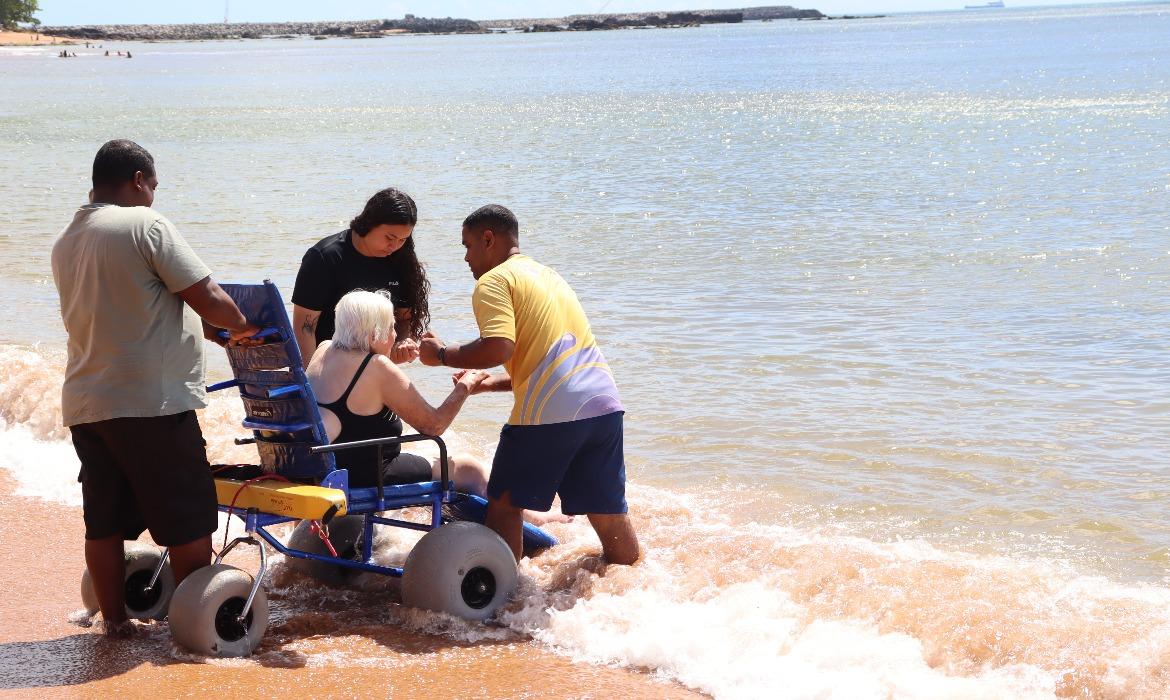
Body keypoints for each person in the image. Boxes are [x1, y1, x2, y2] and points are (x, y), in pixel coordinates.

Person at [51, 139, 259, 637]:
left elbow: (132, 306)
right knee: (189, 517)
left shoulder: (68, 239)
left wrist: (199, 324)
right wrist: (241, 325)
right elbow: (206, 294)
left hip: (88, 402)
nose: (153, 197)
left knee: (104, 521)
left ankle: (116, 625)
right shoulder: (145, 224)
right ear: (139, 179)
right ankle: (191, 627)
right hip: (150, 403)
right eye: (153, 187)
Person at [419, 205, 639, 564]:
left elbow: (498, 346)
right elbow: (550, 361)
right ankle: (631, 586)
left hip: (550, 415)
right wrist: (489, 385)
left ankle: (504, 602)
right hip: (604, 406)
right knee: (607, 511)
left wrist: (441, 353)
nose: (466, 257)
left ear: (488, 239)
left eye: (467, 245)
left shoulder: (493, 281)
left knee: (504, 503)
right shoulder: (548, 276)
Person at [306, 290, 570, 530]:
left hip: (328, 467)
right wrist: (465, 386)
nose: (396, 335)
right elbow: (433, 425)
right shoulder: (377, 368)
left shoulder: (323, 350)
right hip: (367, 473)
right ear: (374, 334)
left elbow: (359, 387)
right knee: (468, 467)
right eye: (390, 329)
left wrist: (390, 360)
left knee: (431, 460)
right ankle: (536, 520)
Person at [292, 188, 430, 367]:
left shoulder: (401, 260)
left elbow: (404, 318)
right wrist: (311, 379)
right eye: (390, 237)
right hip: (327, 365)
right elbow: (305, 327)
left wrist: (403, 343)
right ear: (370, 222)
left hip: (375, 369)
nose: (394, 246)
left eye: (403, 240)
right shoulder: (325, 257)